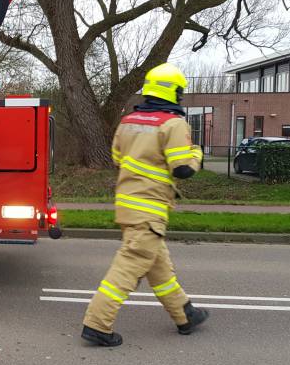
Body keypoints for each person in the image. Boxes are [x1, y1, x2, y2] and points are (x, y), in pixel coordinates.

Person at [81, 63, 210, 347]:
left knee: (159, 267)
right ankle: (97, 323)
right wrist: (197, 154)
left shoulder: (128, 121)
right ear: (173, 91)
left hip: (128, 205)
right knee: (127, 268)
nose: (180, 97)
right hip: (150, 209)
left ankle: (184, 314)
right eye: (180, 92)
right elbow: (182, 170)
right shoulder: (174, 124)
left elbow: (116, 159)